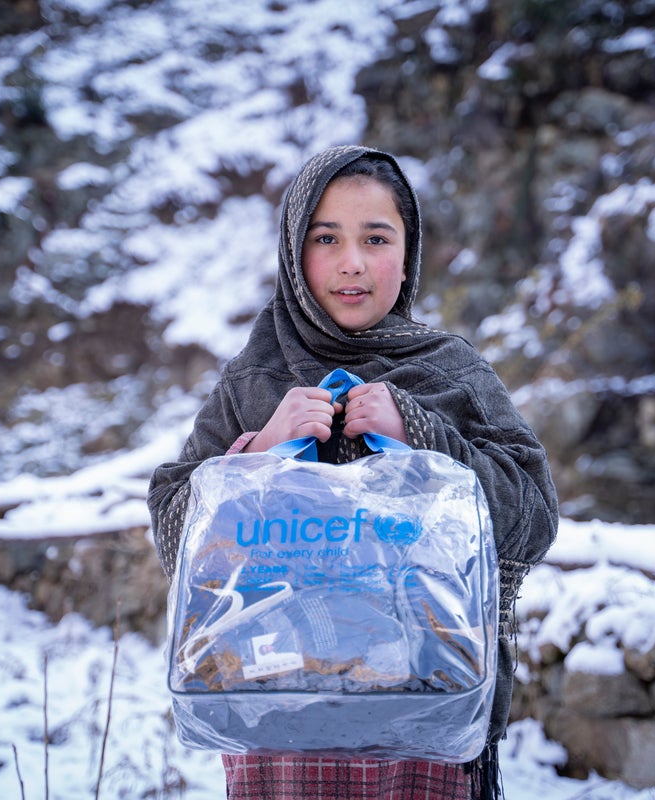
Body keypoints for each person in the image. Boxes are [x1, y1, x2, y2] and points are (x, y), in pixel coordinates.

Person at [148, 145, 559, 799]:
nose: (352, 263)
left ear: (409, 249)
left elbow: (533, 518)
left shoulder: (451, 374)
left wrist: (423, 435)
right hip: (279, 730)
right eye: (326, 238)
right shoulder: (255, 377)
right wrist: (258, 452)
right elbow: (176, 533)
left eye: (376, 238)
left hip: (426, 730)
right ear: (292, 250)